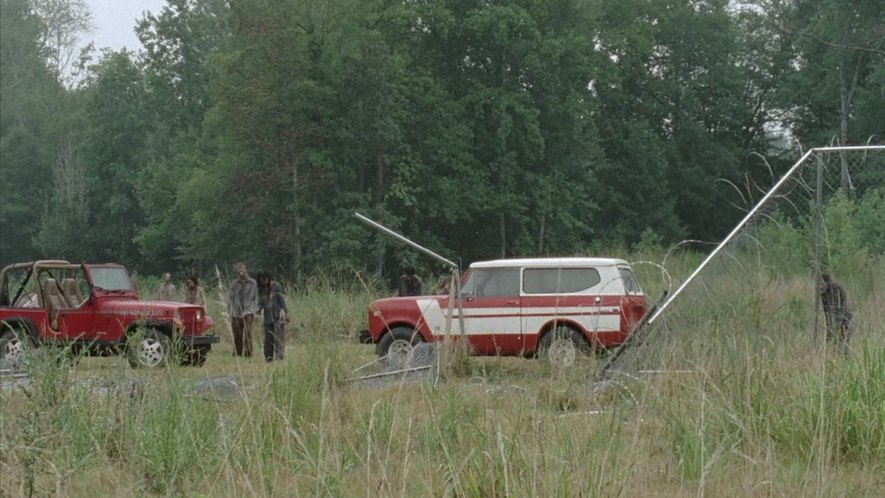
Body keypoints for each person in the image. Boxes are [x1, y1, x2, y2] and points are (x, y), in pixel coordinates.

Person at [227, 263, 259, 357]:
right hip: (236, 312)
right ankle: (238, 352)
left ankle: (248, 352)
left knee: (248, 333)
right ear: (236, 271)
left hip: (249, 311)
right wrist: (229, 311)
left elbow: (256, 297)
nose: (241, 271)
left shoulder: (253, 283)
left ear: (246, 269)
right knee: (237, 334)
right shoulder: (234, 283)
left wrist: (256, 312)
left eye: (242, 269)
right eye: (239, 270)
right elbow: (230, 298)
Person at [256, 271, 288, 362]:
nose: (264, 282)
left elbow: (282, 301)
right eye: (262, 280)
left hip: (278, 316)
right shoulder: (261, 290)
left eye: (265, 279)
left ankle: (279, 358)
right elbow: (260, 303)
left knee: (279, 338)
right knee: (268, 340)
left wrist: (283, 311)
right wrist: (257, 312)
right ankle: (268, 358)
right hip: (267, 318)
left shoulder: (276, 286)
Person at [819, 272, 853, 351]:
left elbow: (838, 310)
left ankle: (844, 356)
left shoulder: (836, 290)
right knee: (832, 341)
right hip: (835, 319)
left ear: (827, 282)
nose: (820, 287)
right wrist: (828, 328)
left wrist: (834, 327)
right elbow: (826, 313)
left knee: (843, 340)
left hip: (844, 317)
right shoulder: (823, 294)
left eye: (821, 284)